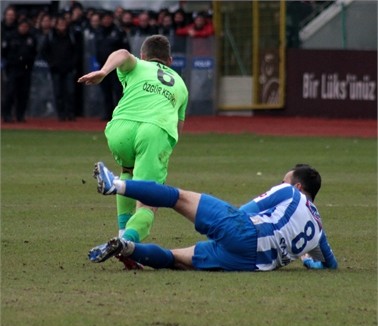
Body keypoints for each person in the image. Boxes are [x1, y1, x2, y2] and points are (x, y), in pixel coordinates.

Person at [88, 163, 338, 272]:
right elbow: (330, 264)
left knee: (177, 197)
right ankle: (128, 248)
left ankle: (116, 185)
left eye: (283, 181)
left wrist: (219, 222)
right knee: (176, 260)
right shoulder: (318, 231)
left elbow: (244, 212)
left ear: (298, 187)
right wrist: (308, 261)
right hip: (252, 265)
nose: (280, 184)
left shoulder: (289, 193)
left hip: (243, 232)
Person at [78, 35, 189, 269]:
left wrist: (103, 72)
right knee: (149, 201)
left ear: (144, 55)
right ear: (169, 60)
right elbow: (178, 129)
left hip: (119, 128)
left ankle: (121, 233)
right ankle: (126, 242)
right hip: (154, 131)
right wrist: (161, 151)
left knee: (127, 171)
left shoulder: (137, 65)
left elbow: (121, 54)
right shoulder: (180, 84)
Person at [41, 16, 79, 121]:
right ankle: (61, 114)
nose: (62, 26)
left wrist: (72, 64)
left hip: (69, 69)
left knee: (70, 92)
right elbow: (44, 52)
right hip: (56, 69)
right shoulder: (50, 36)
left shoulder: (71, 36)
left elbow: (76, 51)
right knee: (58, 93)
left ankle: (70, 113)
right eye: (60, 23)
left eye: (63, 23)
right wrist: (51, 63)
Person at [2, 18, 37, 123]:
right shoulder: (11, 37)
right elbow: (4, 51)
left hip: (26, 69)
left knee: (23, 93)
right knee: (10, 92)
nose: (24, 28)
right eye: (22, 26)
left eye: (26, 27)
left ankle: (20, 115)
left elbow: (34, 52)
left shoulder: (31, 38)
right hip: (13, 68)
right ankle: (7, 115)